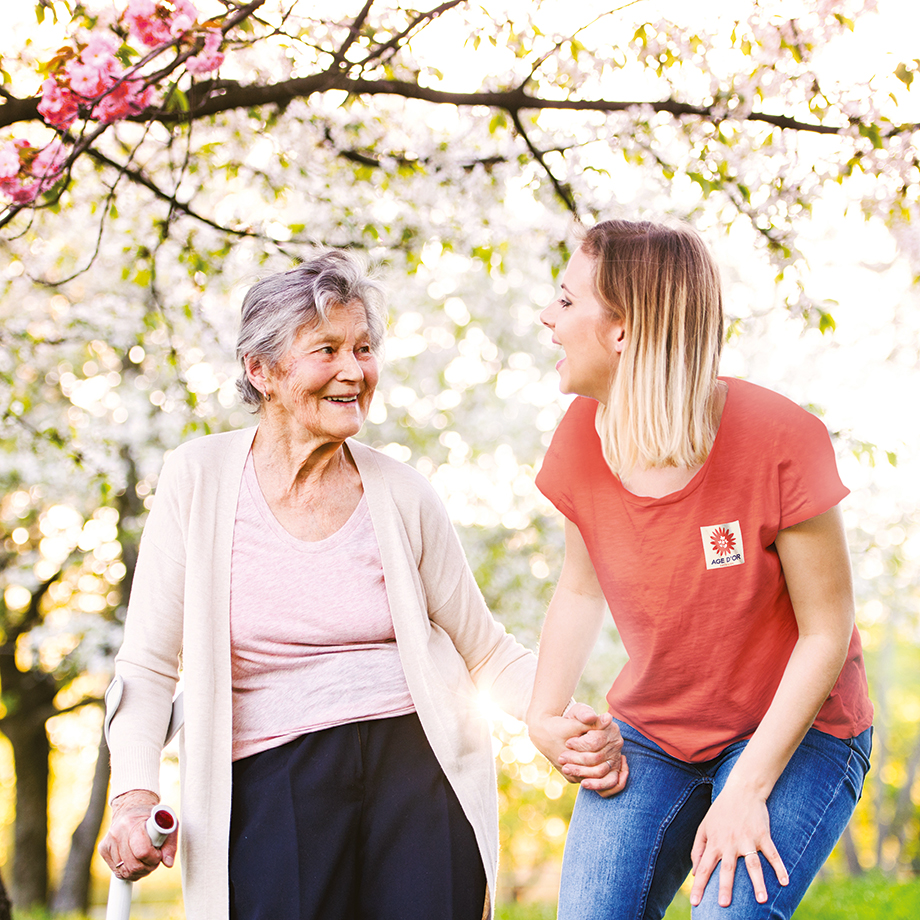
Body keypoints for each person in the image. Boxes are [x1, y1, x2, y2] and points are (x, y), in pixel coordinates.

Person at [98, 249, 621, 920]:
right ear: (262, 372)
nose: (355, 371)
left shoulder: (402, 493)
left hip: (419, 771)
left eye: (364, 348)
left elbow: (486, 651)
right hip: (270, 782)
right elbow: (145, 666)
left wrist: (555, 718)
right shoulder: (195, 480)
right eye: (326, 350)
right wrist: (134, 794)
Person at [526, 219, 873, 920]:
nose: (547, 318)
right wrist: (542, 716)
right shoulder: (576, 441)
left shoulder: (781, 440)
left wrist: (747, 786)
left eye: (566, 302)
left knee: (726, 914)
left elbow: (826, 632)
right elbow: (578, 585)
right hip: (656, 732)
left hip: (799, 732)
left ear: (621, 331)